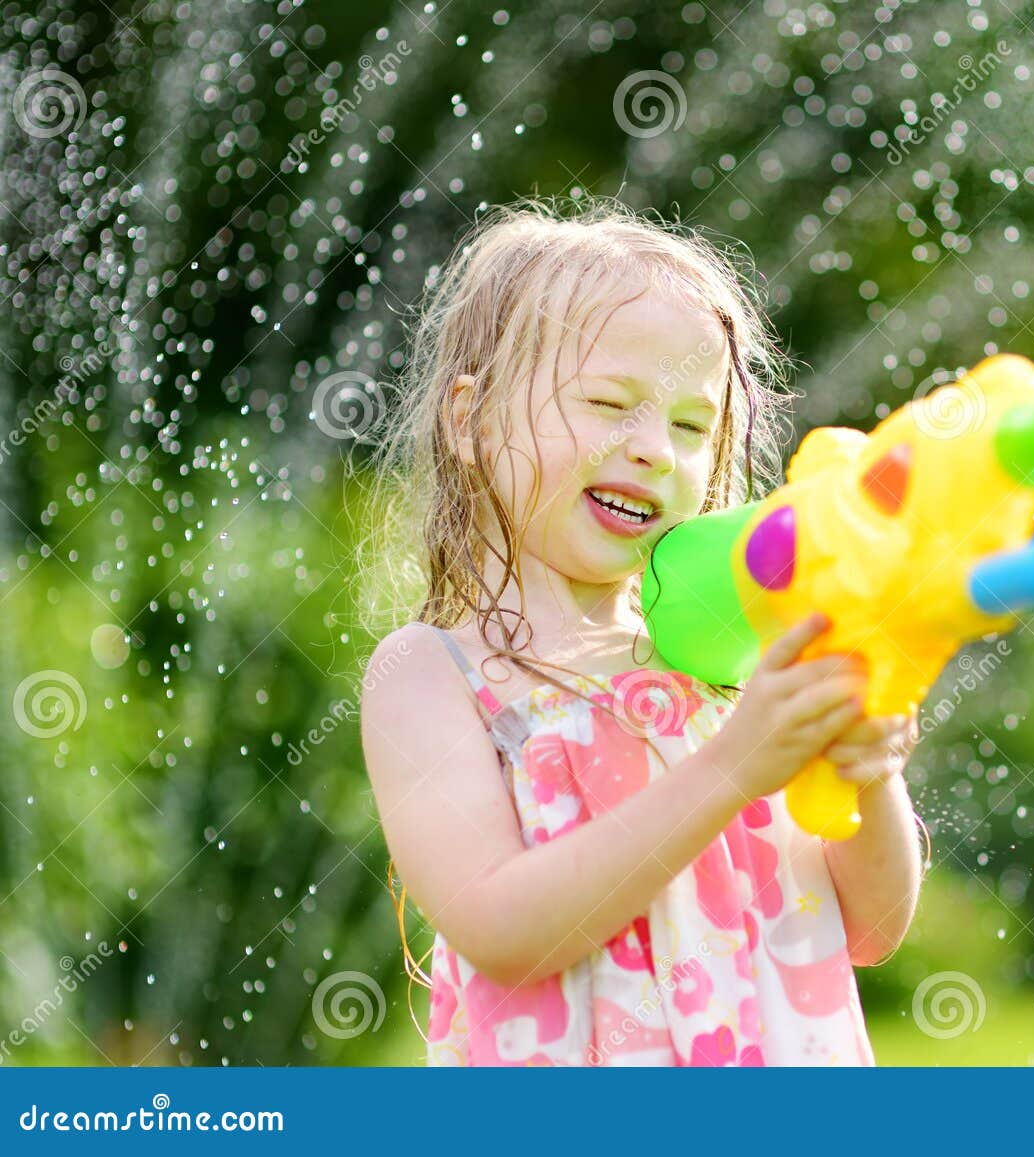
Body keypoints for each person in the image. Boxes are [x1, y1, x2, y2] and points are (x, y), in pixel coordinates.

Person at [360, 198, 924, 1065]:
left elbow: (874, 927)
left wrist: (868, 773)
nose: (656, 449)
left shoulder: (731, 661)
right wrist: (736, 765)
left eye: (691, 425)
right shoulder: (436, 677)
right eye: (609, 402)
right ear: (470, 418)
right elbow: (503, 930)